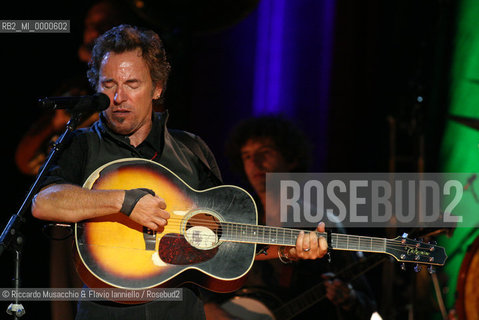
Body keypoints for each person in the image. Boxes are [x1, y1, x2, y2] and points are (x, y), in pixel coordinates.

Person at [31, 25, 328, 320]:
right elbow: (43, 202)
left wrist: (288, 251)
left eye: (132, 84)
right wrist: (124, 201)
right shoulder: (80, 143)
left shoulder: (192, 150)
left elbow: (226, 241)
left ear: (157, 88)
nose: (118, 97)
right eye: (109, 85)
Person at [224, 115, 377, 319]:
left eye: (265, 152)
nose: (255, 163)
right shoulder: (235, 219)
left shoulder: (322, 222)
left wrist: (348, 298)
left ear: (291, 158)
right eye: (247, 156)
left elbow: (367, 304)